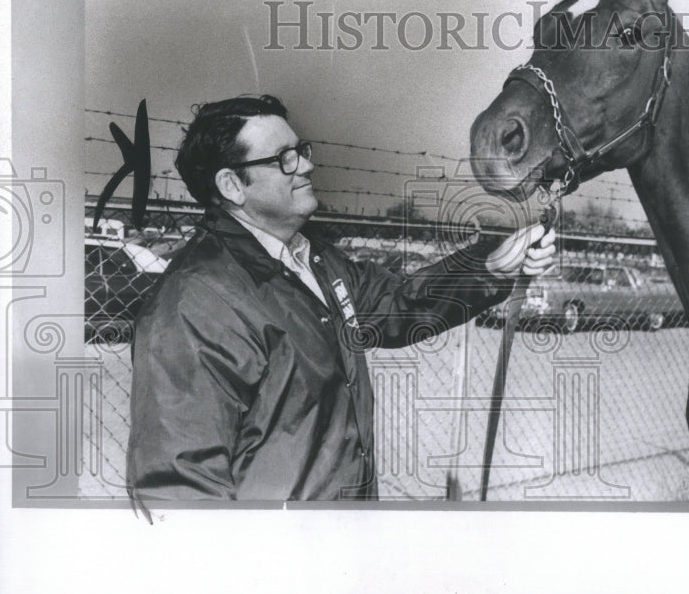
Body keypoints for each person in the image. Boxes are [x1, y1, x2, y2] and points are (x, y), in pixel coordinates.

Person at [126, 94, 556, 501]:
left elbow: (400, 305)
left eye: (303, 150)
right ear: (233, 185)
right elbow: (179, 486)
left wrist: (489, 268)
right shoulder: (195, 301)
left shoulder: (314, 259)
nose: (307, 166)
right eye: (284, 158)